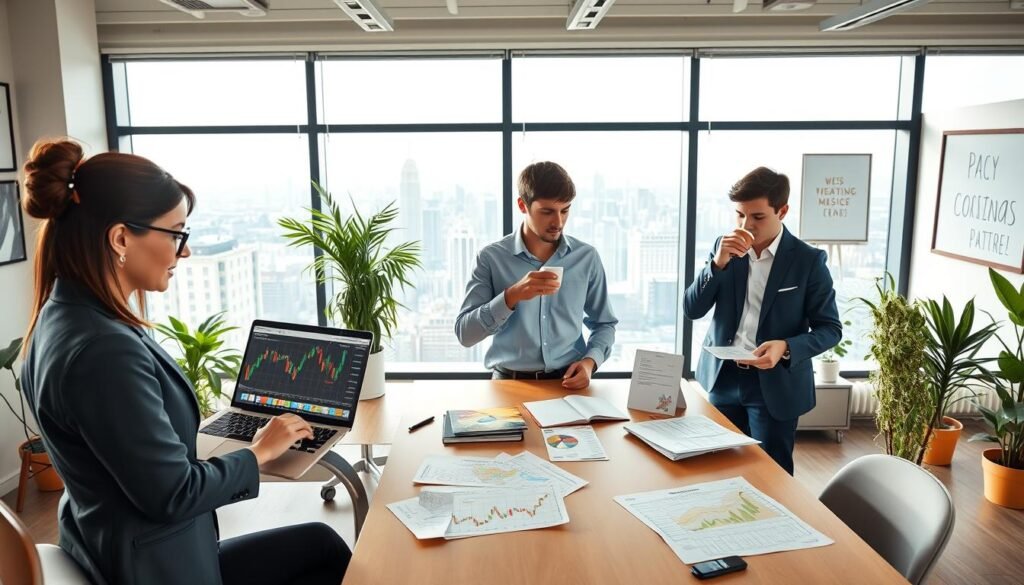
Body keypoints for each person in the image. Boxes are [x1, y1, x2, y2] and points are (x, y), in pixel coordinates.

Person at [19, 139, 351, 585]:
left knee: (319, 543)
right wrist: (259, 452)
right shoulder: (102, 349)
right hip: (156, 568)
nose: (185, 251)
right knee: (323, 551)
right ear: (120, 238)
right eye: (176, 234)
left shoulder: (63, 317)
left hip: (127, 549)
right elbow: (173, 494)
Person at [683, 166, 841, 475]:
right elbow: (692, 309)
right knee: (717, 468)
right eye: (739, 215)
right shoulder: (723, 248)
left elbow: (830, 329)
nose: (745, 225)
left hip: (774, 384)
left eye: (757, 217)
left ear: (782, 211)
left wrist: (786, 346)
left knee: (772, 475)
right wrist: (717, 265)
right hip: (722, 377)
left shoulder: (808, 261)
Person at [455, 161, 618, 388]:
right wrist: (511, 296)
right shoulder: (491, 258)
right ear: (523, 205)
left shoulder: (586, 258)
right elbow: (465, 334)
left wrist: (590, 362)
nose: (558, 222)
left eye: (565, 210)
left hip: (567, 384)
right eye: (547, 211)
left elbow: (605, 324)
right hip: (507, 385)